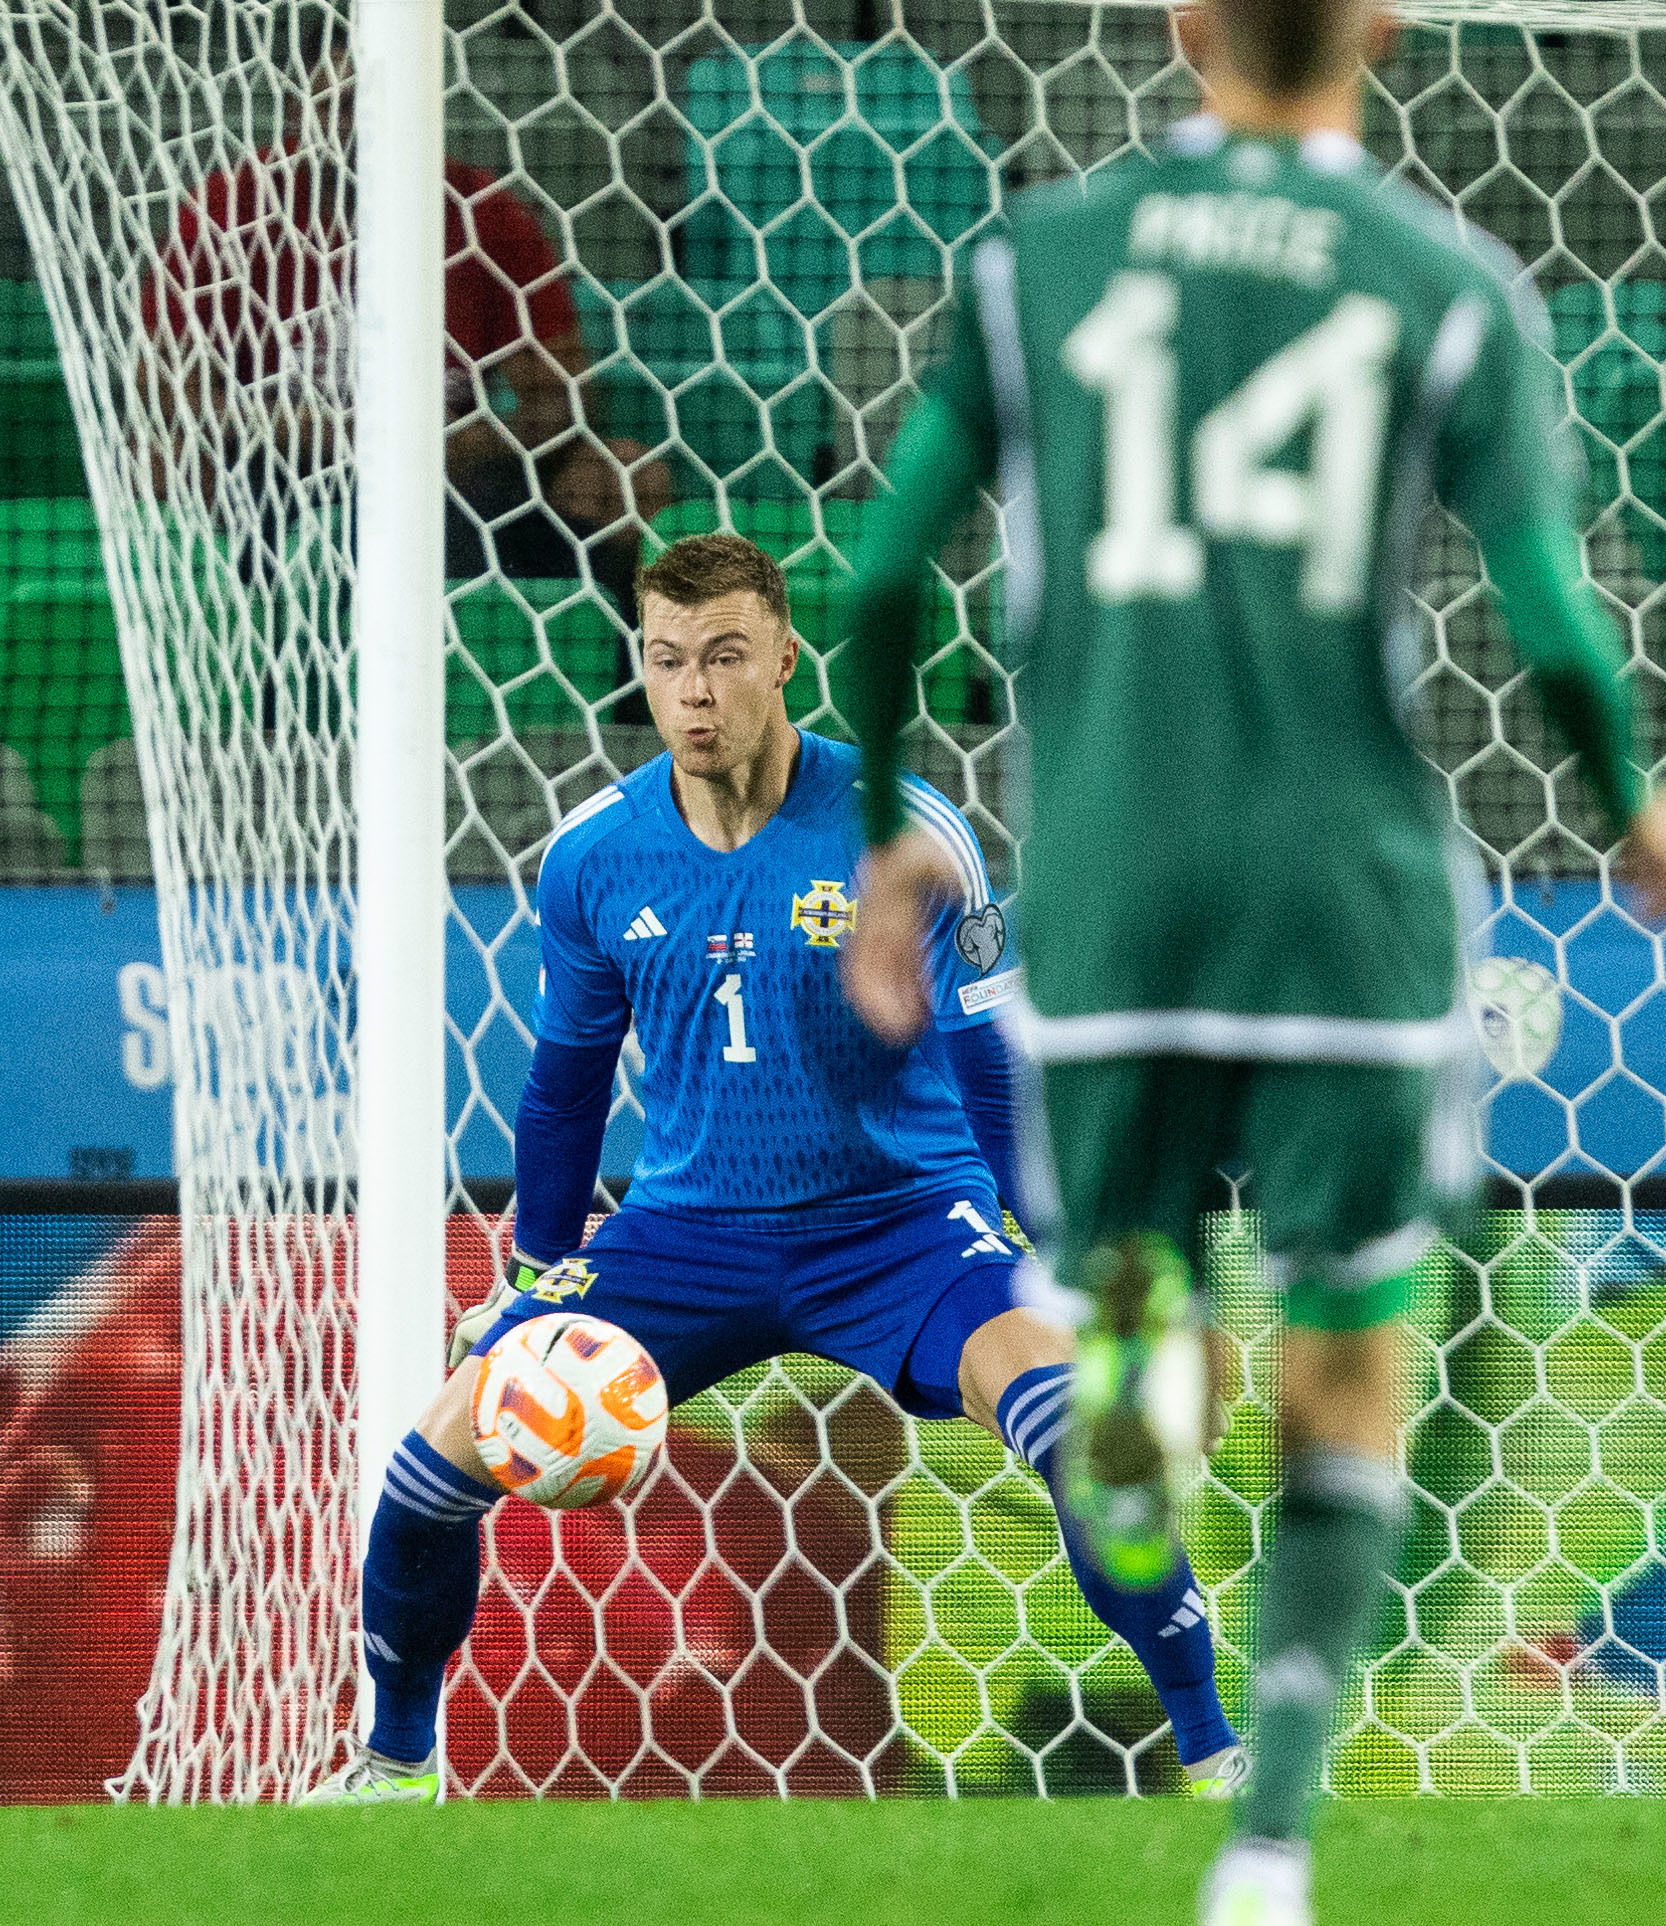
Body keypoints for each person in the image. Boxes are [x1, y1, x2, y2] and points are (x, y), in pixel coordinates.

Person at [832, 0, 1666, 1926]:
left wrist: (874, 834)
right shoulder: (1442, 283)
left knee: (1120, 1280)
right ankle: (1269, 1859)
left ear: (1183, 26)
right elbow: (1556, 632)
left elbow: (867, 581)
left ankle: (1122, 1439)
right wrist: (1631, 796)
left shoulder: (1034, 259)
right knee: (1342, 1378)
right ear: (1377, 33)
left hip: (1107, 890)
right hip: (1344, 905)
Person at [296, 528, 1248, 1805]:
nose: (694, 689)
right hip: (684, 1233)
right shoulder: (592, 856)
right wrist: (529, 1273)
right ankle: (394, 1766)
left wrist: (1052, 1250)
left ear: (785, 657)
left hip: (903, 1221)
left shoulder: (903, 828)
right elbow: (566, 1079)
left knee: (1086, 1438)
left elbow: (987, 1060)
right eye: (667, 658)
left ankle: (1214, 1754)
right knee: (434, 1459)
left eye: (725, 655)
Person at [141, 44, 666, 603]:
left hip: (447, 477)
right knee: (160, 460)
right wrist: (331, 432)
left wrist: (452, 442)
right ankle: (237, 648)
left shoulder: (481, 211)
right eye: (338, 106)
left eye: (379, 106)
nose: (358, 130)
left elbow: (564, 399)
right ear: (297, 108)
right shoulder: (230, 207)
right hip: (272, 465)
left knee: (629, 475)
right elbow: (166, 390)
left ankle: (609, 676)